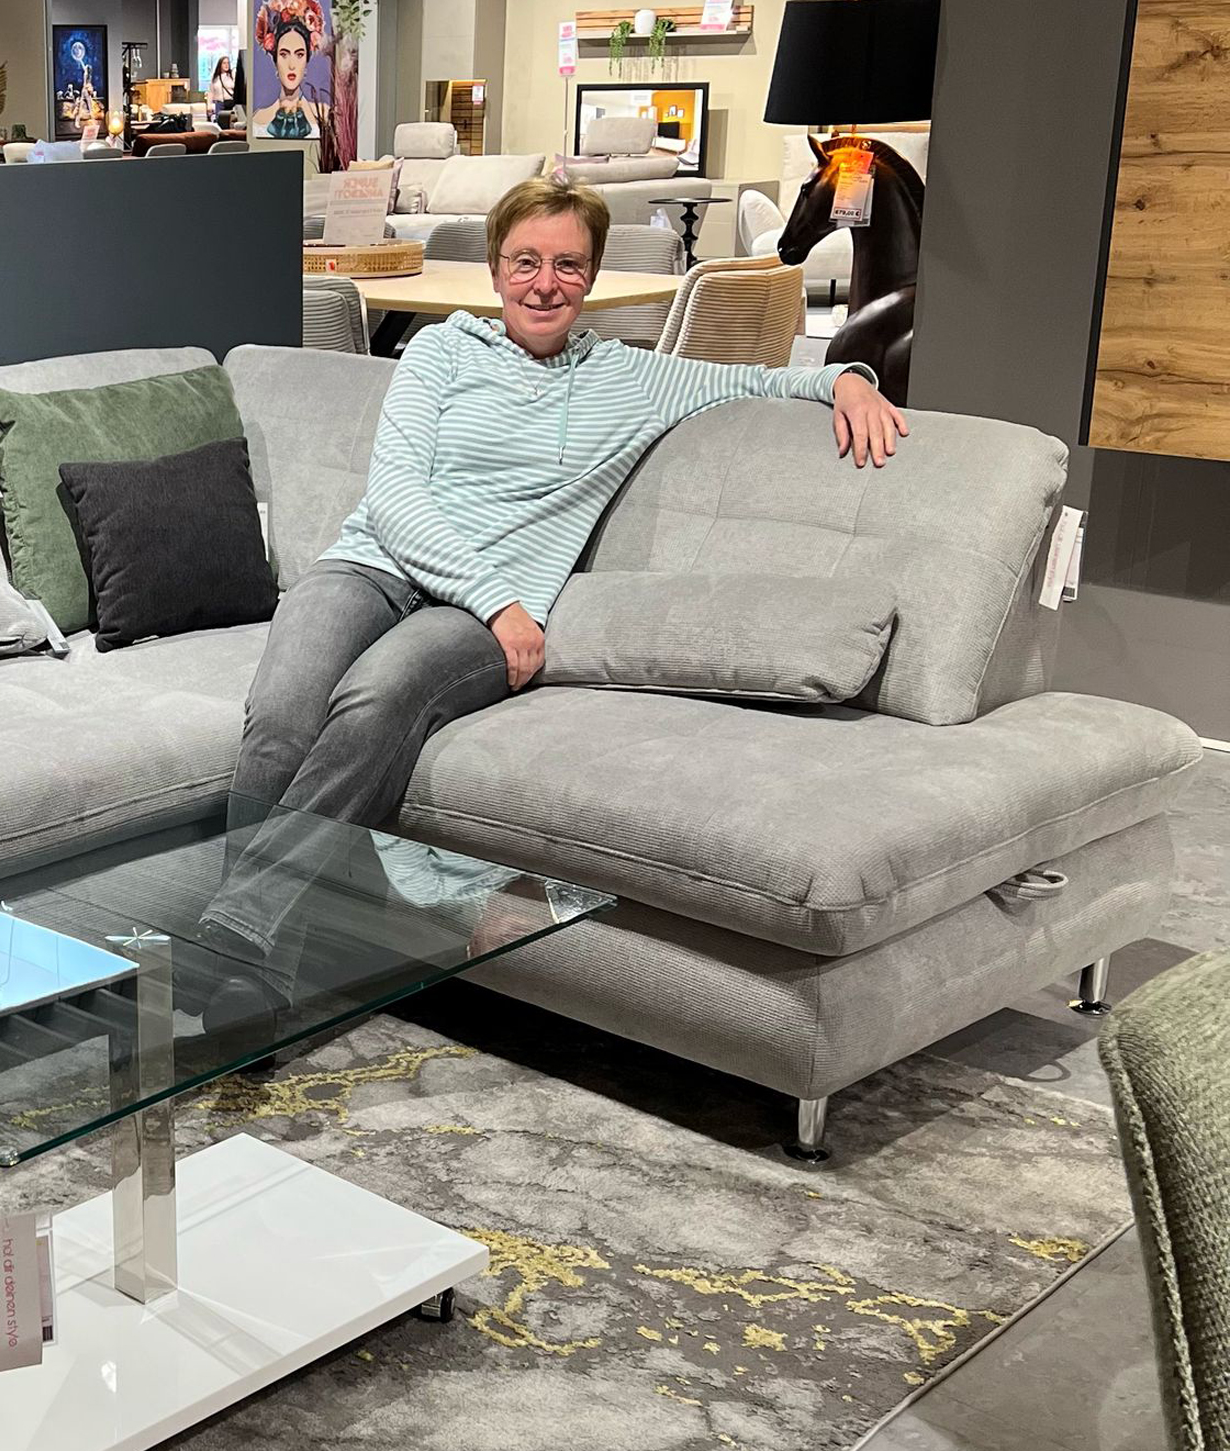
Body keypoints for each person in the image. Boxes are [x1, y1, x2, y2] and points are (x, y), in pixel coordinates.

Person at [199, 174, 907, 970]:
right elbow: (394, 498)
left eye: (568, 264)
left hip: (477, 617)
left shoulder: (635, 378)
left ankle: (231, 945)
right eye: (525, 261)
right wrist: (496, 601)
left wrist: (849, 379)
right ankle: (252, 965)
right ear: (496, 268)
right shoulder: (439, 351)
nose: (544, 284)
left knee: (376, 700)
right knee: (282, 716)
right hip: (374, 566)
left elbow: (766, 378)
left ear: (592, 275)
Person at [251, 0, 330, 142]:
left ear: (307, 60)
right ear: (275, 61)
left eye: (299, 55)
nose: (292, 65)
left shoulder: (324, 114)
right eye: (284, 54)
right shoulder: (259, 118)